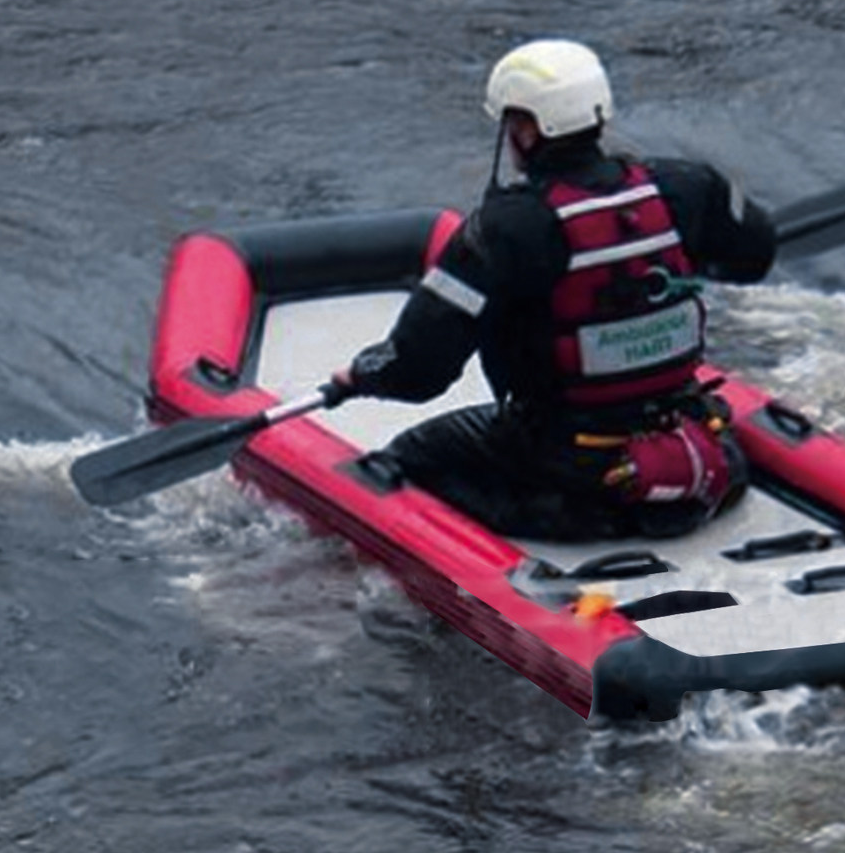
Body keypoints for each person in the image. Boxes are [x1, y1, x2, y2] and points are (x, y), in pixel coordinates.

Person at [330, 39, 778, 541]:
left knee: (413, 455)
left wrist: (359, 375)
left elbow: (420, 370)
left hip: (572, 476)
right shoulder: (689, 188)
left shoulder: (504, 229)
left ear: (526, 129)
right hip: (706, 449)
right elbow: (754, 256)